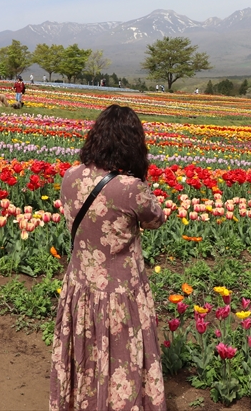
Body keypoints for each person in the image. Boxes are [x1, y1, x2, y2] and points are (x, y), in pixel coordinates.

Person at [50, 105, 166, 411]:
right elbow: (156, 218)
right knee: (118, 357)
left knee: (85, 354)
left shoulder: (70, 176)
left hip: (79, 287)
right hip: (120, 293)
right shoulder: (131, 189)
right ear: (133, 144)